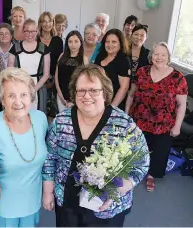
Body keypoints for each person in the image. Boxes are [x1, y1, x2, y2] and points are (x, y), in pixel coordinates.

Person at [42, 65, 150, 227]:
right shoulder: (61, 121)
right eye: (81, 90)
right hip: (68, 204)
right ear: (74, 92)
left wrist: (117, 190)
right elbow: (50, 158)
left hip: (106, 207)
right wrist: (48, 192)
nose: (87, 96)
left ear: (105, 92)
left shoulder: (123, 124)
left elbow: (142, 162)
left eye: (93, 90)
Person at [0, 67, 48, 227]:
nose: (18, 102)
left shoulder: (40, 119)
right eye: (11, 96)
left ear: (31, 97)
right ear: (2, 100)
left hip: (32, 202)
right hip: (3, 206)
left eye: (23, 95)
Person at [125, 42, 187, 192]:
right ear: (151, 56)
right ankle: (134, 173)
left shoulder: (177, 77)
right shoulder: (141, 72)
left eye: (163, 55)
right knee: (136, 150)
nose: (159, 57)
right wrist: (126, 116)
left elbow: (181, 105)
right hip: (139, 120)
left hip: (163, 124)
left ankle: (151, 175)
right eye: (156, 54)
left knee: (159, 152)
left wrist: (177, 125)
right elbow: (131, 95)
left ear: (168, 57)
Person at [8, 19, 50, 114]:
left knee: (37, 117)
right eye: (27, 31)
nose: (30, 34)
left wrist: (33, 90)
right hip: (18, 86)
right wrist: (21, 89)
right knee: (20, 114)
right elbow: (10, 70)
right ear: (23, 31)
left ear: (37, 31)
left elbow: (46, 74)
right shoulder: (15, 48)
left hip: (38, 88)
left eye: (33, 31)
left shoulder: (44, 49)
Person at [95, 29, 131, 110]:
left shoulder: (123, 60)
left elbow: (124, 88)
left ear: (120, 43)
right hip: (98, 102)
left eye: (114, 42)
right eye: (107, 42)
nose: (109, 44)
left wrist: (111, 108)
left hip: (114, 105)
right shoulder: (100, 56)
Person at [55, 30, 86, 112]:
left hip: (77, 97)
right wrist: (60, 95)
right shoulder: (62, 55)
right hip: (61, 96)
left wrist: (74, 100)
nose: (73, 45)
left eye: (76, 41)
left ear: (81, 42)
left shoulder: (84, 59)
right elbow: (56, 77)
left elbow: (84, 81)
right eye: (70, 42)